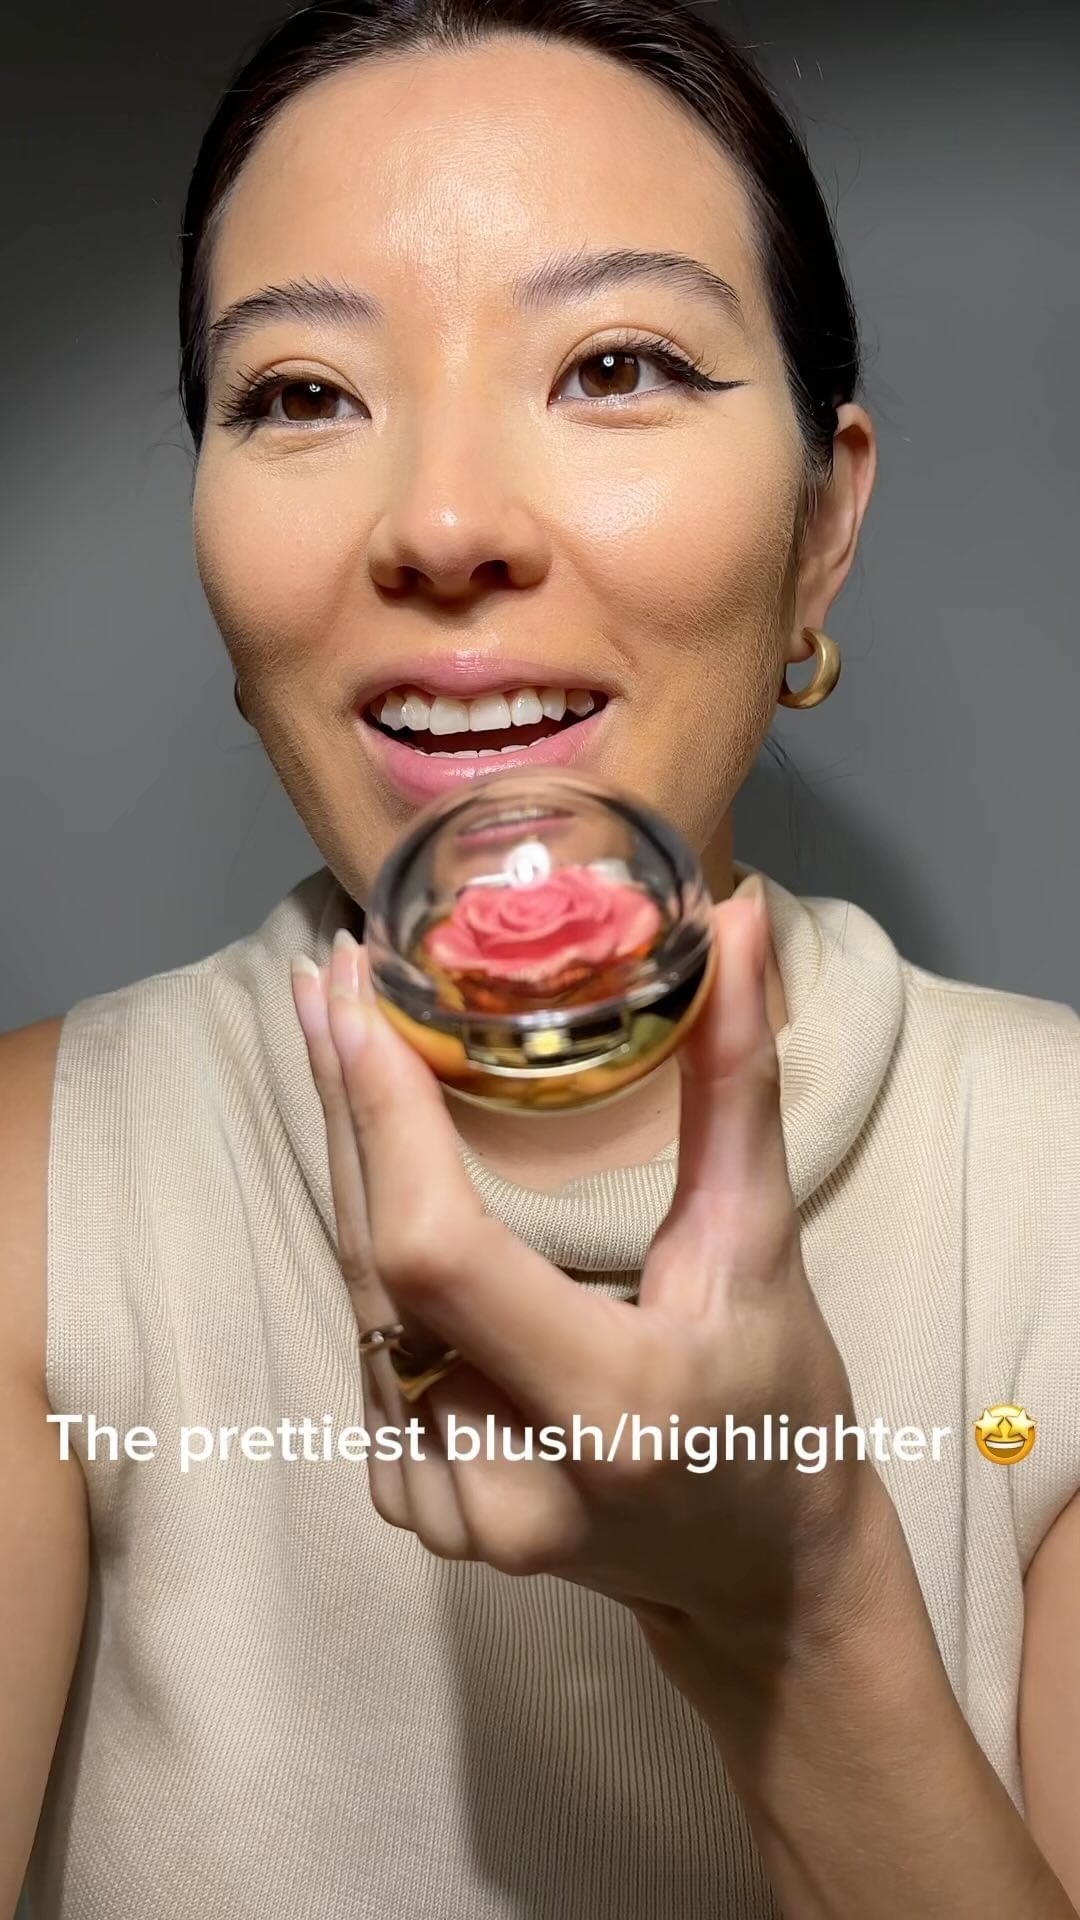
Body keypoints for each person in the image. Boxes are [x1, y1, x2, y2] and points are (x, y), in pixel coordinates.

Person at [3, 1, 1078, 1915]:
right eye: (299, 395)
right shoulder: (37, 1198)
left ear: (821, 527)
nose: (441, 525)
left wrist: (808, 1605)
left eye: (618, 365)